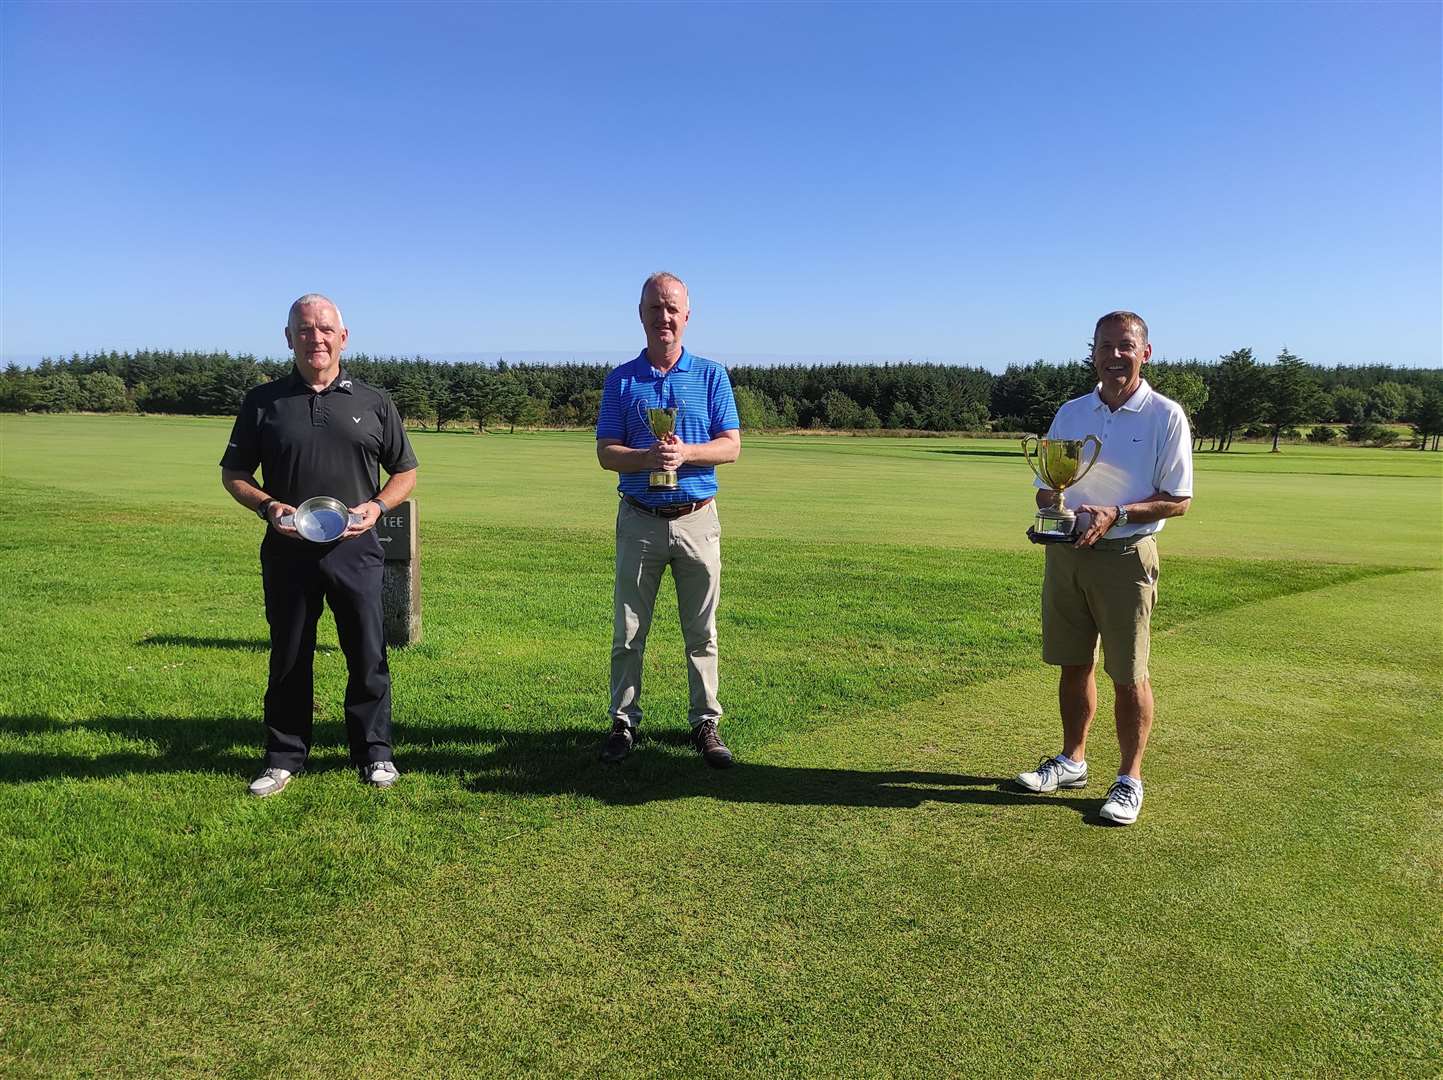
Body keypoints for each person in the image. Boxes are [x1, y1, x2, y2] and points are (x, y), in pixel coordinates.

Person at [221, 294, 418, 798]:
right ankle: (284, 756)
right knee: (289, 654)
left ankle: (375, 753)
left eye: (326, 329)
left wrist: (375, 508)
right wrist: (268, 507)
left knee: (367, 651)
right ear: (289, 338)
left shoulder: (374, 401)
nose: (317, 338)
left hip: (356, 549)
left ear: (343, 337)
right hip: (287, 549)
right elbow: (234, 474)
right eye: (305, 330)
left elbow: (405, 472)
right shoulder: (262, 402)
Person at [1017, 311, 1193, 825]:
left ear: (1145, 352)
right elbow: (1051, 481)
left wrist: (1117, 512)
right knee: (1073, 664)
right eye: (1105, 346)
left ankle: (1128, 780)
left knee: (1128, 674)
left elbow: (1178, 500)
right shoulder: (1071, 412)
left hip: (1125, 556)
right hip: (1067, 553)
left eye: (1125, 346)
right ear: (1091, 351)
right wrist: (1050, 505)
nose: (1114, 355)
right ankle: (1072, 761)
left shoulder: (1166, 415)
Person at [595, 272, 741, 768]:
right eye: (655, 308)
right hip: (639, 520)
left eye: (672, 308)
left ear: (687, 315)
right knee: (629, 631)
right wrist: (648, 459)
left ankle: (705, 722)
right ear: (641, 313)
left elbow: (732, 446)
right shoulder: (621, 379)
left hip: (698, 518)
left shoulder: (711, 375)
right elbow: (606, 453)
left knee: (702, 630)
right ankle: (623, 721)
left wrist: (687, 454)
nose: (664, 317)